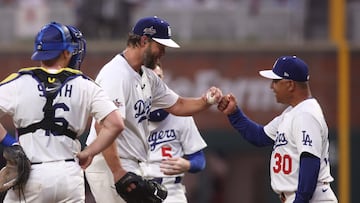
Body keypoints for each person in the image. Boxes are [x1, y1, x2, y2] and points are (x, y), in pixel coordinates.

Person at [85, 16, 222, 203]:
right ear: (144, 41)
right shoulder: (115, 74)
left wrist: (207, 100)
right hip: (110, 162)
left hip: (131, 162)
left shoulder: (147, 75)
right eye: (161, 46)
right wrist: (118, 172)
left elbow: (178, 105)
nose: (163, 52)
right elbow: (104, 126)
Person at [0, 21, 126, 202]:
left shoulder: (20, 80)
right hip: (69, 174)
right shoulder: (85, 83)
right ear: (67, 52)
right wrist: (89, 152)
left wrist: (10, 143)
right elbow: (116, 124)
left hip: (32, 172)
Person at [217, 56, 338, 203]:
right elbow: (259, 136)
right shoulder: (291, 113)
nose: (271, 87)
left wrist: (300, 200)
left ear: (290, 84)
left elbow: (310, 162)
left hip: (312, 198)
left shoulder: (306, 114)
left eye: (275, 81)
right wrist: (234, 113)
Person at [139, 63, 207, 203]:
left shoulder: (182, 113)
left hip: (171, 191)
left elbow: (199, 160)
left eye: (159, 77)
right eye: (150, 77)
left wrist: (188, 165)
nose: (156, 81)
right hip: (138, 191)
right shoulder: (129, 112)